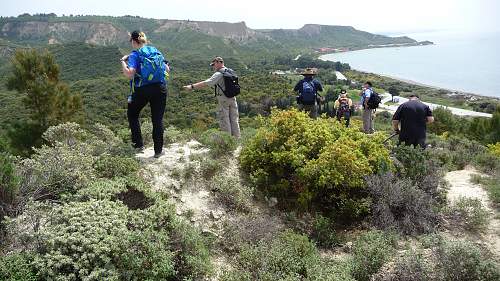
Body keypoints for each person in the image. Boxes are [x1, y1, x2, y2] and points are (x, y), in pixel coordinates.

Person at [121, 30, 169, 158]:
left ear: (133, 41)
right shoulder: (155, 50)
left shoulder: (134, 55)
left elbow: (130, 74)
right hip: (160, 88)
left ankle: (138, 145)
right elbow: (167, 69)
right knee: (157, 120)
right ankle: (158, 151)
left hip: (143, 89)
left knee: (132, 114)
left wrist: (123, 62)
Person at [183, 56, 240, 138]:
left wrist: (192, 86)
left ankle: (228, 141)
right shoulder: (230, 71)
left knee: (225, 120)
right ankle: (237, 140)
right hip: (233, 98)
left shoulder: (219, 73)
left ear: (218, 63)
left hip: (223, 99)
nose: (213, 66)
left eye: (213, 64)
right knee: (234, 120)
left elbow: (206, 83)